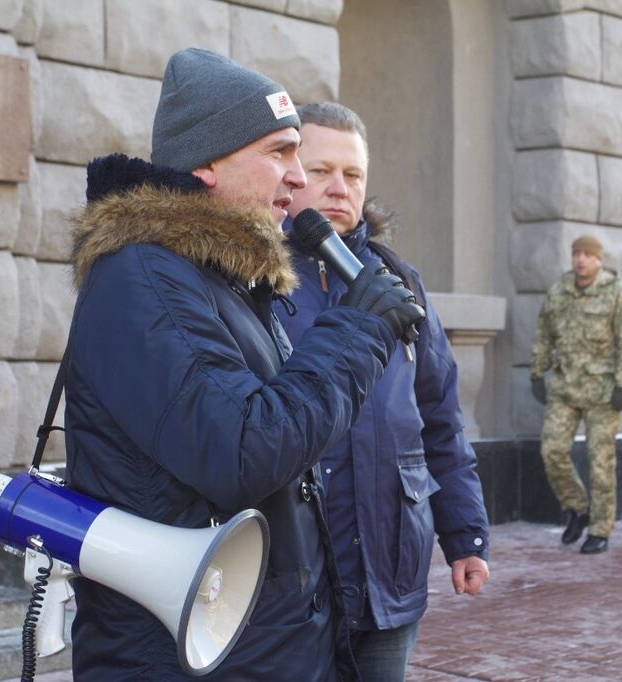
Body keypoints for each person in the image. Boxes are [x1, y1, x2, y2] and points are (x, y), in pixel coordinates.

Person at [63, 49, 425, 681]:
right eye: (279, 152)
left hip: (252, 644)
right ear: (206, 163)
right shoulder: (144, 276)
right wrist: (361, 328)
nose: (296, 176)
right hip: (187, 656)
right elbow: (244, 450)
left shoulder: (219, 278)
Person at [274, 102, 490, 681]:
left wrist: (464, 533)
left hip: (387, 571)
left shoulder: (400, 281)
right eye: (321, 172)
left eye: (354, 175)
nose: (340, 189)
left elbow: (440, 416)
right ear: (289, 171)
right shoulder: (256, 278)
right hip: (292, 582)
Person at [529, 235, 622, 555]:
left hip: (604, 393)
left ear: (599, 260)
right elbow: (544, 335)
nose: (581, 260)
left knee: (600, 462)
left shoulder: (616, 293)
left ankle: (601, 529)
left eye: (587, 255)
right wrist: (537, 372)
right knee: (552, 451)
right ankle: (578, 508)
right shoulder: (558, 292)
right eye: (577, 254)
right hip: (565, 389)